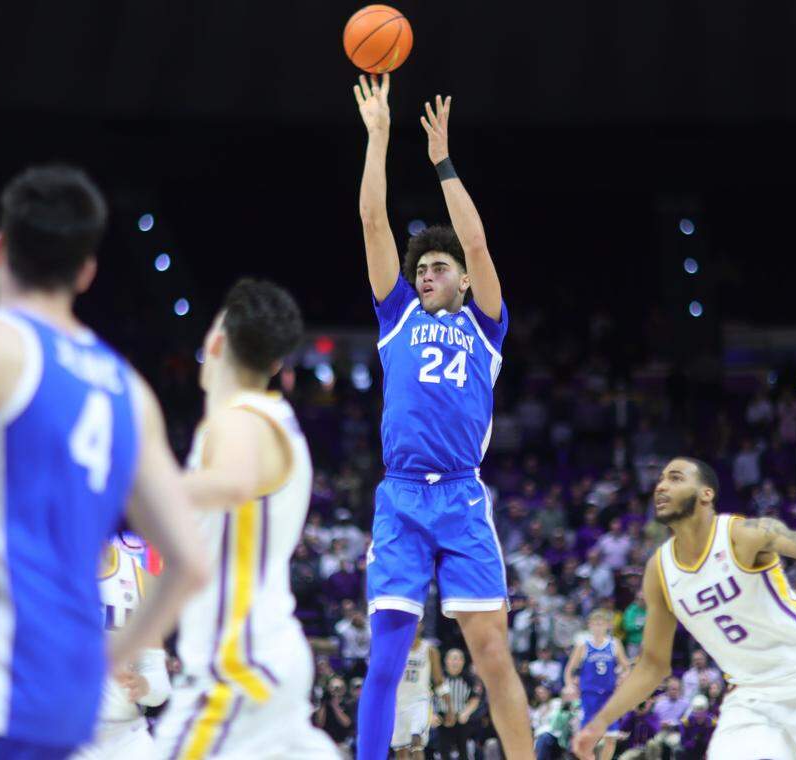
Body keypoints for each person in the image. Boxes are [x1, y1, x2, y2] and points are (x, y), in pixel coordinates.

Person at [0, 165, 207, 759]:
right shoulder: (129, 390)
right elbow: (189, 563)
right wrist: (109, 658)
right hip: (71, 708)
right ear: (86, 271)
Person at [352, 72, 532, 759]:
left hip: (461, 495)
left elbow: (478, 245)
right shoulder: (396, 317)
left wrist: (442, 164)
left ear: (459, 277)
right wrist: (379, 137)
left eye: (437, 266)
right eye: (420, 266)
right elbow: (373, 220)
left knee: (492, 654)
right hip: (400, 496)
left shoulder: (486, 326)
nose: (426, 273)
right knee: (388, 656)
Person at [572, 457, 796, 760]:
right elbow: (652, 666)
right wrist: (597, 723)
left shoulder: (742, 534)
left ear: (706, 494)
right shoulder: (659, 570)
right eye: (660, 479)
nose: (661, 485)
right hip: (750, 696)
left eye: (675, 478)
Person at [151, 278, 339, 759]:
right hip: (268, 654)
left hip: (239, 667)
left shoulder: (240, 418)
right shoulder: (274, 421)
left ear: (215, 342)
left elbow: (232, 481)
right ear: (277, 363)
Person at [71, 537, 170, 760]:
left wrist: (143, 686)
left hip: (127, 737)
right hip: (64, 735)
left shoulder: (139, 578)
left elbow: (157, 685)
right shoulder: (46, 573)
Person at [563, 610, 630, 760]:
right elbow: (569, 669)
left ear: (608, 626)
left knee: (611, 737)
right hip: (589, 694)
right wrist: (569, 685)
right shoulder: (583, 645)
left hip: (609, 694)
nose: (598, 627)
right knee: (587, 738)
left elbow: (626, 667)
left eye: (601, 624)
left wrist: (623, 678)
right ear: (590, 626)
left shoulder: (614, 644)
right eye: (595, 624)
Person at [393, 625, 444, 760]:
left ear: (421, 625)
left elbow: (439, 680)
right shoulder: (395, 648)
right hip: (398, 703)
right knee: (401, 750)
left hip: (420, 702)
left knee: (417, 739)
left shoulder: (429, 649)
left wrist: (449, 707)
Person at [437, 649, 482, 759]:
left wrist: (466, 713)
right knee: (442, 750)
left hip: (461, 718)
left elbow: (475, 699)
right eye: (453, 659)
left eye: (459, 659)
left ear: (463, 662)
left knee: (464, 750)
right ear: (446, 661)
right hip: (441, 718)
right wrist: (431, 715)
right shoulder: (438, 677)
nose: (455, 662)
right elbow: (427, 697)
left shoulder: (469, 678)